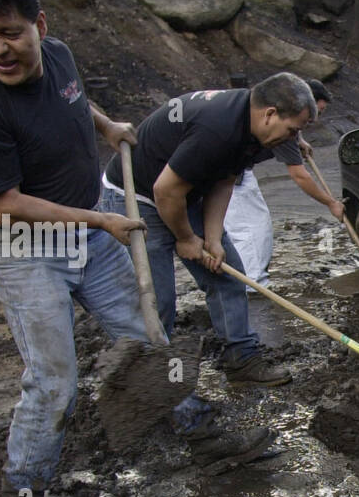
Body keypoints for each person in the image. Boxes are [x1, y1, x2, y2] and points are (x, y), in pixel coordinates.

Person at [0, 0, 269, 497]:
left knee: (148, 336)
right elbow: (4, 205)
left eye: (10, 33)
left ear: (38, 23)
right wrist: (102, 219)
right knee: (54, 376)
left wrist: (105, 124)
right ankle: (24, 486)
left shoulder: (60, 55)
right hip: (24, 248)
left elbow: (69, 100)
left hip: (89, 231)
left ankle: (196, 428)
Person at [99, 74, 314, 389]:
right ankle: (153, 383)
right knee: (158, 300)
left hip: (184, 192)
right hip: (137, 197)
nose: (294, 139)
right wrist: (187, 239)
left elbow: (224, 180)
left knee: (227, 275)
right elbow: (165, 192)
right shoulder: (219, 128)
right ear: (270, 114)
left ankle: (241, 360)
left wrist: (212, 239)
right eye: (293, 130)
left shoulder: (254, 130)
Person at [224, 79, 342, 292]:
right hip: (228, 175)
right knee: (252, 231)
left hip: (238, 169)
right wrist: (331, 203)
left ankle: (248, 280)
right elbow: (300, 176)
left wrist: (301, 141)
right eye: (316, 113)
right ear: (302, 107)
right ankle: (251, 286)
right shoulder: (285, 132)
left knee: (249, 228)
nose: (315, 120)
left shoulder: (287, 119)